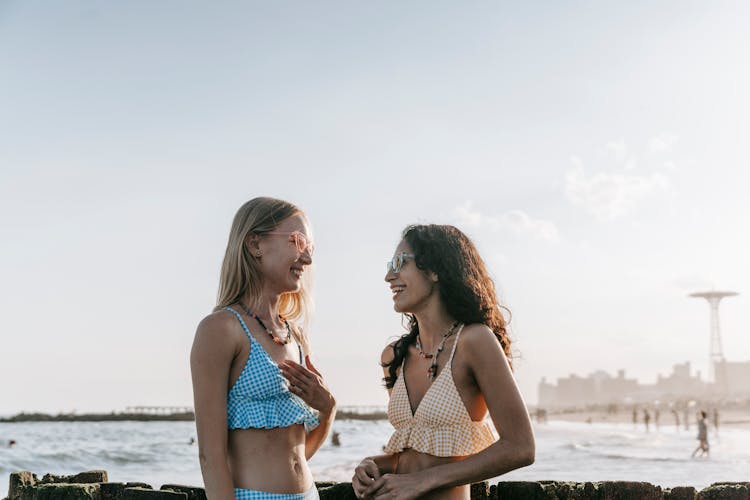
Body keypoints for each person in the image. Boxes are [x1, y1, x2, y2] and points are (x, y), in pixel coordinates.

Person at [352, 224, 535, 499]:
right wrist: (373, 464)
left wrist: (423, 481)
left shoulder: (475, 342)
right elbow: (416, 451)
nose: (390, 275)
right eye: (390, 265)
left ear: (435, 270)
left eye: (401, 263)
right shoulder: (393, 356)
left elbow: (520, 447)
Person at [191, 197, 336, 500]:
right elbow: (210, 456)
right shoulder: (220, 329)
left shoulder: (294, 334)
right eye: (297, 242)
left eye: (310, 247)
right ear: (255, 244)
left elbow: (298, 453)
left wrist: (328, 408)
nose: (306, 259)